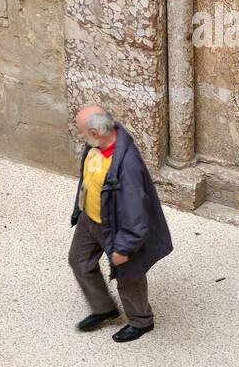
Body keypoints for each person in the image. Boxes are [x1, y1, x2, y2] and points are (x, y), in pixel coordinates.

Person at [68, 107, 173, 342]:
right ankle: (104, 308)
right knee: (79, 261)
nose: (80, 136)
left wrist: (124, 248)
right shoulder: (96, 144)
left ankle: (141, 320)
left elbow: (136, 215)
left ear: (95, 132)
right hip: (90, 219)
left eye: (82, 132)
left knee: (129, 277)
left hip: (116, 228)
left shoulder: (128, 166)